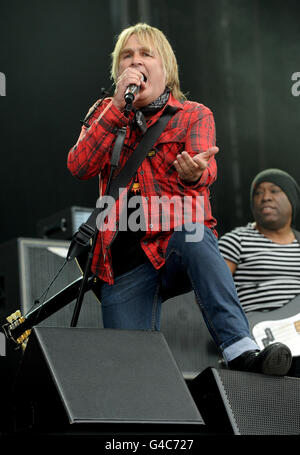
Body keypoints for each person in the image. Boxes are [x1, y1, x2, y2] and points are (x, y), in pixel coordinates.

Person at [67, 23, 292, 376]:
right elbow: (79, 165)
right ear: (118, 69)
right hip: (122, 263)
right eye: (127, 55)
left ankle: (240, 349)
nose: (135, 60)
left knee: (196, 234)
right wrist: (114, 107)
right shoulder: (105, 113)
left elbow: (207, 168)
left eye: (145, 53)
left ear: (165, 68)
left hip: (173, 244)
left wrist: (194, 174)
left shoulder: (193, 114)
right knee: (131, 373)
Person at [219, 168, 300, 376]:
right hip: (256, 339)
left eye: (274, 191)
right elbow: (212, 293)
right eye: (258, 193)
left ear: (292, 200)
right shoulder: (236, 240)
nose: (265, 198)